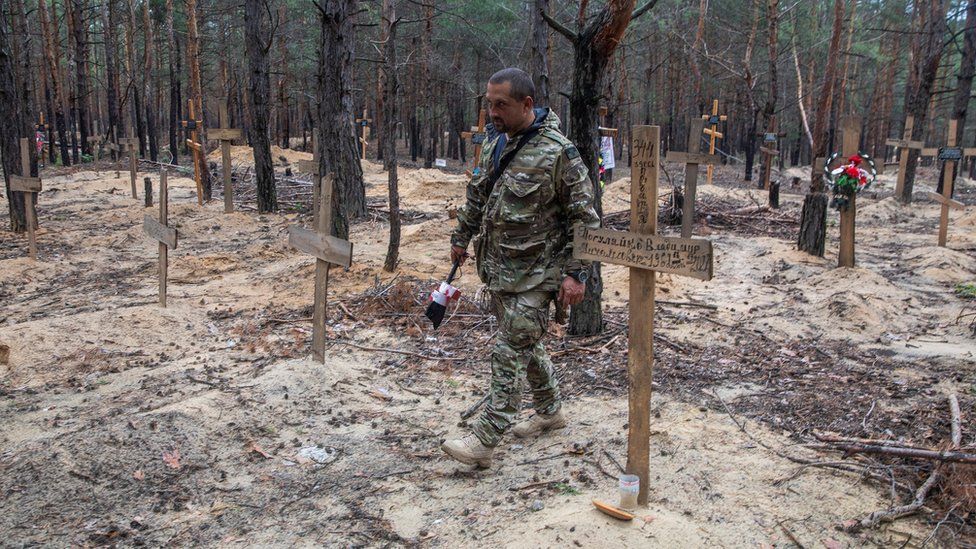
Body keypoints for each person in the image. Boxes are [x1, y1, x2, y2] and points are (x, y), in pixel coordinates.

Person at [441, 67, 600, 467]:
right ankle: (550, 412)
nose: (492, 112)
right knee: (526, 345)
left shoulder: (559, 152)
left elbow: (586, 219)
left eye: (501, 105)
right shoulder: (496, 144)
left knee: (509, 349)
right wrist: (462, 238)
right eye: (489, 103)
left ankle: (484, 440)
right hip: (500, 270)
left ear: (527, 105)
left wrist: (576, 273)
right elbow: (478, 195)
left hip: (540, 273)